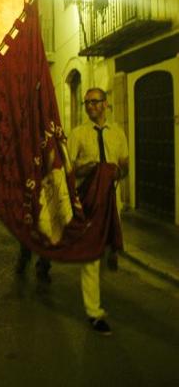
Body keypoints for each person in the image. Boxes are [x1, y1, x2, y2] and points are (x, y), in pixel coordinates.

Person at [67, 87, 128, 336]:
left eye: (95, 102)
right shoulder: (78, 134)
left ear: (105, 104)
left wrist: (116, 171)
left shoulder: (118, 133)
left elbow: (125, 165)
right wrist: (87, 170)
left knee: (105, 250)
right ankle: (94, 313)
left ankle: (111, 255)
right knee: (91, 257)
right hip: (89, 202)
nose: (90, 106)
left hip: (112, 201)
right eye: (86, 103)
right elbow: (68, 170)